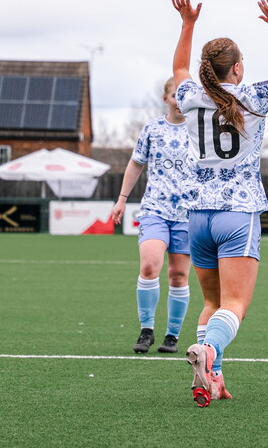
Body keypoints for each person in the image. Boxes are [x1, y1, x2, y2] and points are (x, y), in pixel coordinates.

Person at [171, 0, 268, 407]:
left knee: (211, 302)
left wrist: (187, 23)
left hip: (197, 215)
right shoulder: (252, 96)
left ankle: (210, 376)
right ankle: (209, 353)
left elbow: (179, 67)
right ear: (237, 68)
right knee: (234, 305)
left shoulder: (190, 95)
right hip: (238, 213)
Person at [111, 78, 193, 355]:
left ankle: (172, 335)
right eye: (175, 96)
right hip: (154, 209)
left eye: (185, 97)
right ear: (165, 98)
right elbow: (136, 163)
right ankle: (146, 330)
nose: (180, 102)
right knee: (149, 266)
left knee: (179, 275)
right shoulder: (153, 128)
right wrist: (122, 199)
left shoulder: (200, 128)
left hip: (188, 213)